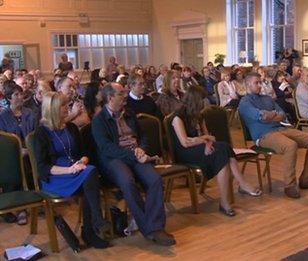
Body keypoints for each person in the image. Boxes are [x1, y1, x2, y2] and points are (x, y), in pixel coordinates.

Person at [91, 82, 175, 246]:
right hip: (114, 159)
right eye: (121, 93)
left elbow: (143, 137)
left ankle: (154, 226)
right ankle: (151, 229)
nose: (126, 95)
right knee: (127, 182)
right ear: (110, 98)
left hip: (135, 155)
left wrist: (141, 150)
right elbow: (106, 148)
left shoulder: (129, 113)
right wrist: (133, 154)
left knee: (155, 180)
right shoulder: (99, 120)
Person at [32, 92, 111, 248]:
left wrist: (82, 161)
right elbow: (43, 167)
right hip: (56, 177)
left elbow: (84, 154)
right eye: (63, 105)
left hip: (77, 170)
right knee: (91, 176)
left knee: (90, 175)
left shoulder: (72, 127)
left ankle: (93, 225)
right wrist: (70, 170)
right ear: (52, 109)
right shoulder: (41, 133)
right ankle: (92, 227)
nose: (67, 107)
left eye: (66, 104)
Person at [171, 85, 262, 216]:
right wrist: (205, 140)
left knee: (222, 153)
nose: (204, 103)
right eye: (201, 100)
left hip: (199, 148)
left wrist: (207, 142)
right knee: (223, 149)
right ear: (194, 101)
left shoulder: (199, 116)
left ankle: (226, 201)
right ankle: (240, 184)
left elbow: (209, 137)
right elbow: (185, 142)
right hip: (185, 153)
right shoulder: (177, 117)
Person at [239, 72, 308, 199]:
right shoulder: (245, 102)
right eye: (256, 83)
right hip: (263, 135)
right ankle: (289, 185)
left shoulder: (267, 98)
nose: (260, 85)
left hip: (280, 128)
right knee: (290, 145)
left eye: (260, 82)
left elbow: (282, 114)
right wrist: (272, 115)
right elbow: (262, 116)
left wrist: (271, 115)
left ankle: (306, 179)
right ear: (247, 84)